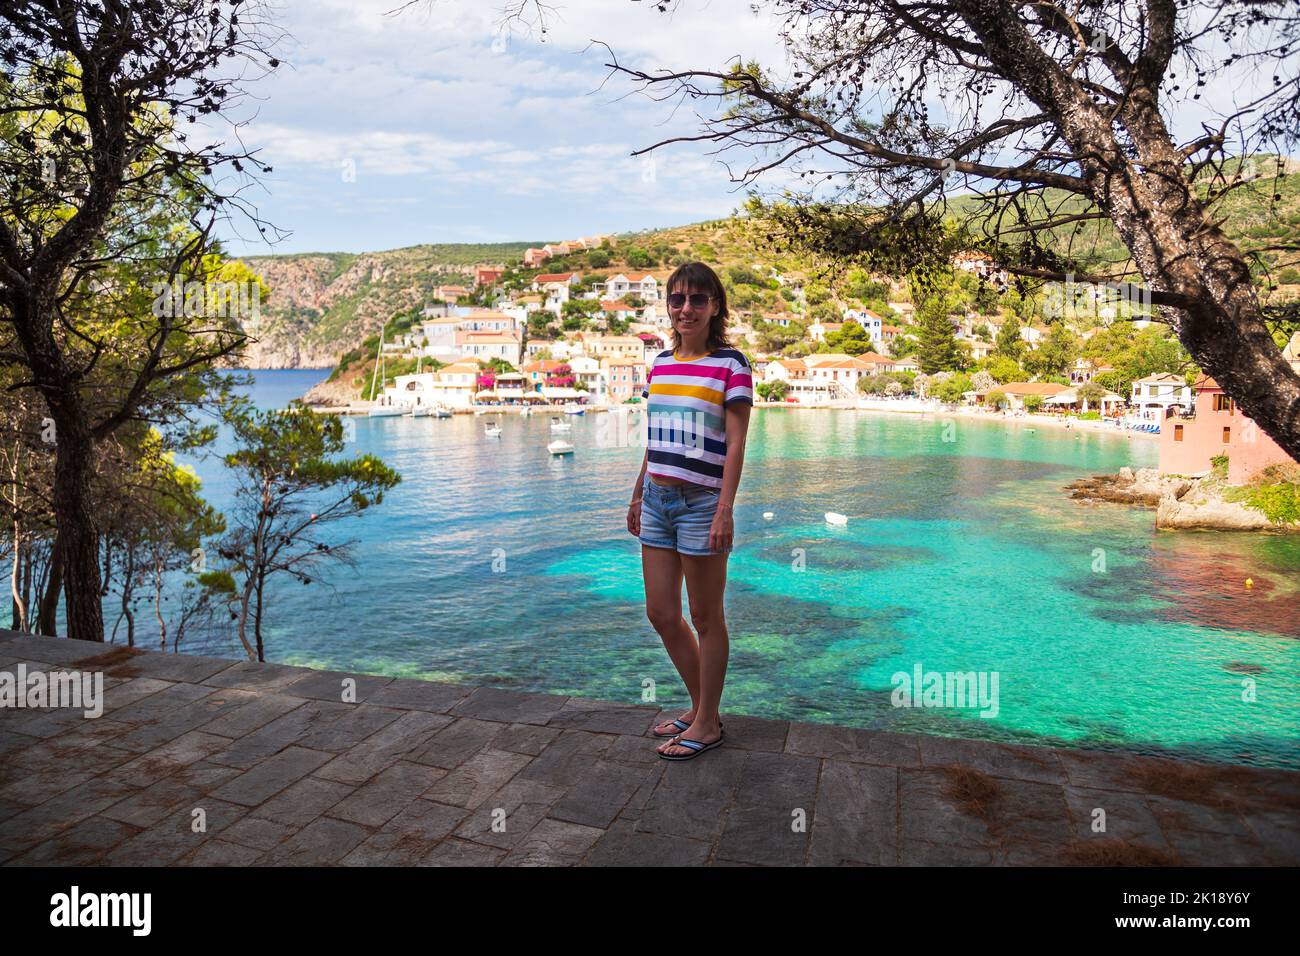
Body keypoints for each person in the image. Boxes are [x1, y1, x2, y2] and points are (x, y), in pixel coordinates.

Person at [626, 262, 753, 760]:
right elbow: (654, 437)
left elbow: (737, 443)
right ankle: (704, 709)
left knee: (705, 616)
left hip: (702, 505)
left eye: (697, 300)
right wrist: (638, 493)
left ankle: (707, 724)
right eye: (677, 299)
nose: (685, 309)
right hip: (657, 500)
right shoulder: (659, 364)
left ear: (715, 306)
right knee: (661, 612)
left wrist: (726, 509)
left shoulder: (731, 365)